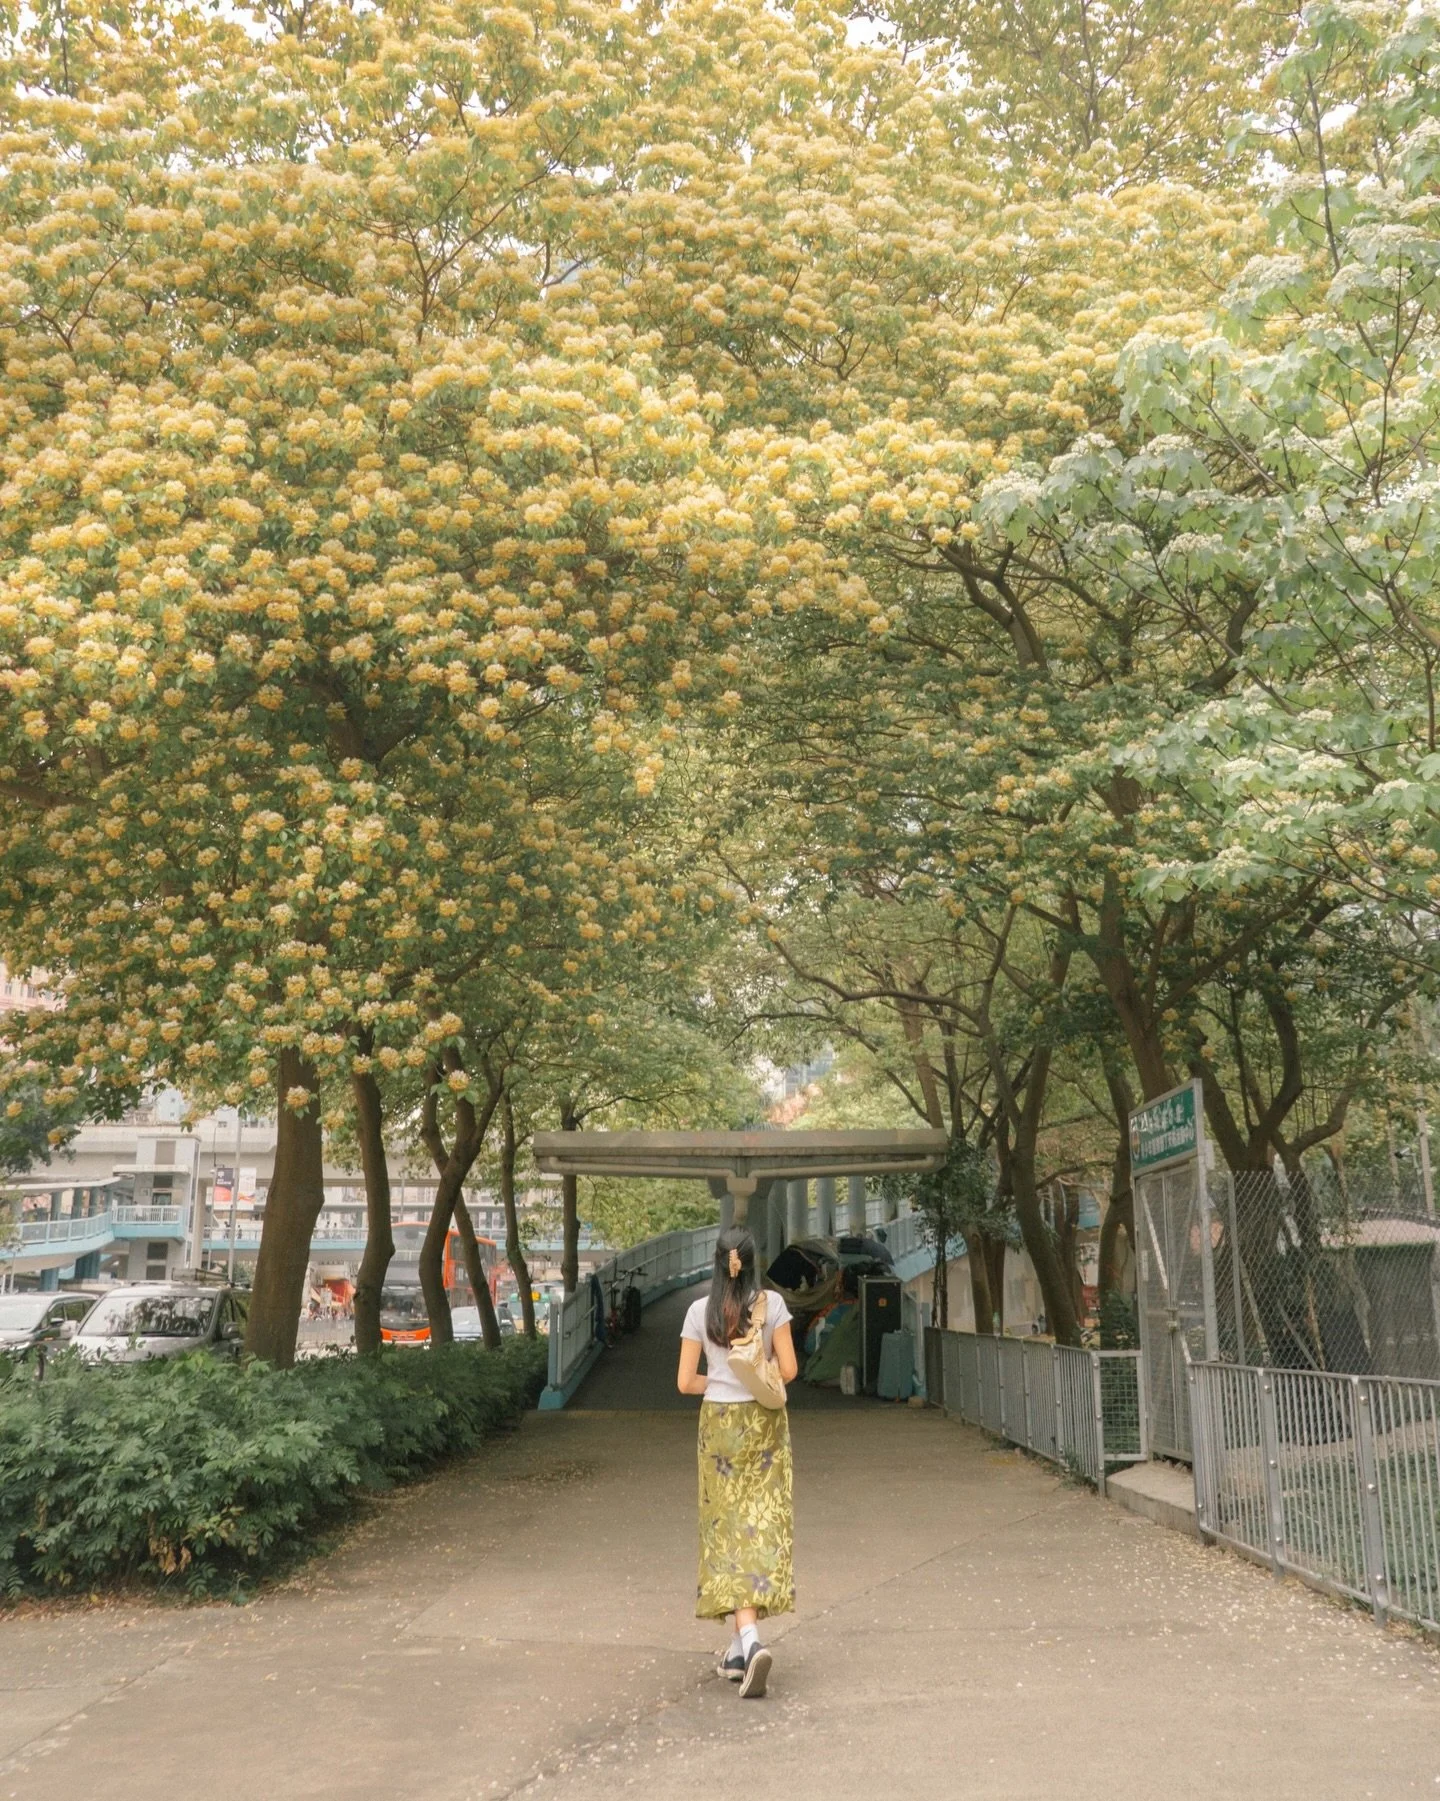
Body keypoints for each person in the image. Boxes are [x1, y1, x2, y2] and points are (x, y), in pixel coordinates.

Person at [677, 1226, 799, 1700]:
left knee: (726, 1527)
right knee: (760, 1524)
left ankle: (745, 1643)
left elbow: (685, 1381)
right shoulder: (772, 1306)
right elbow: (788, 1371)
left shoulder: (698, 1312)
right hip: (765, 1424)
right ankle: (740, 1645)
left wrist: (721, 1381)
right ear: (752, 1261)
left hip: (719, 1428)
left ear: (717, 1261)